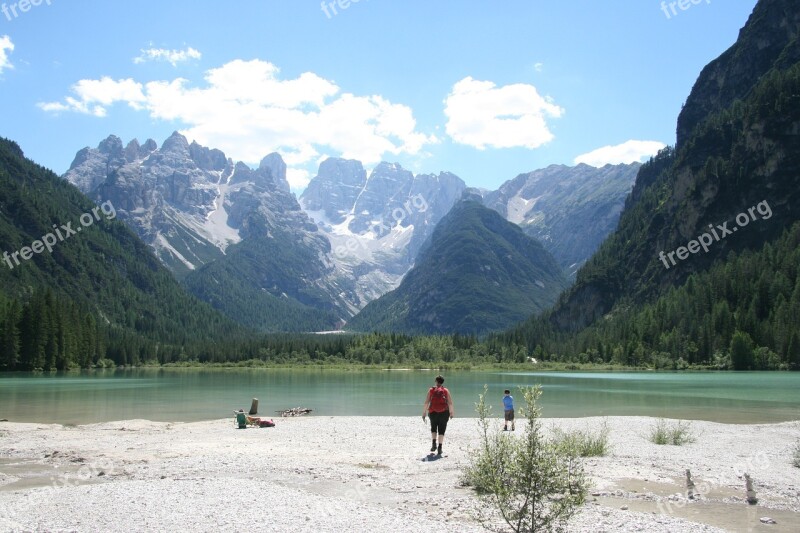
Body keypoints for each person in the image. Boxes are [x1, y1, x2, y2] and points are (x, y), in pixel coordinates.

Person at [422, 375, 454, 456]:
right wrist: (451, 412)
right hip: (444, 412)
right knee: (441, 430)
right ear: (442, 382)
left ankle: (433, 443)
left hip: (433, 412)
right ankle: (440, 447)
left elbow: (426, 402)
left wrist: (424, 413)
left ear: (436, 381)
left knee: (433, 428)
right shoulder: (445, 390)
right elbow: (450, 403)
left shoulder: (431, 390)